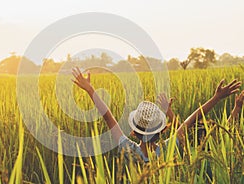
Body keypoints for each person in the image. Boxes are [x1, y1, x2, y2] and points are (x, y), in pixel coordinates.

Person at [71, 67, 242, 164]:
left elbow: (108, 117)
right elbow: (192, 120)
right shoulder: (167, 150)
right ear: (163, 131)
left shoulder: (129, 150)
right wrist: (216, 98)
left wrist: (90, 90)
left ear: (133, 132)